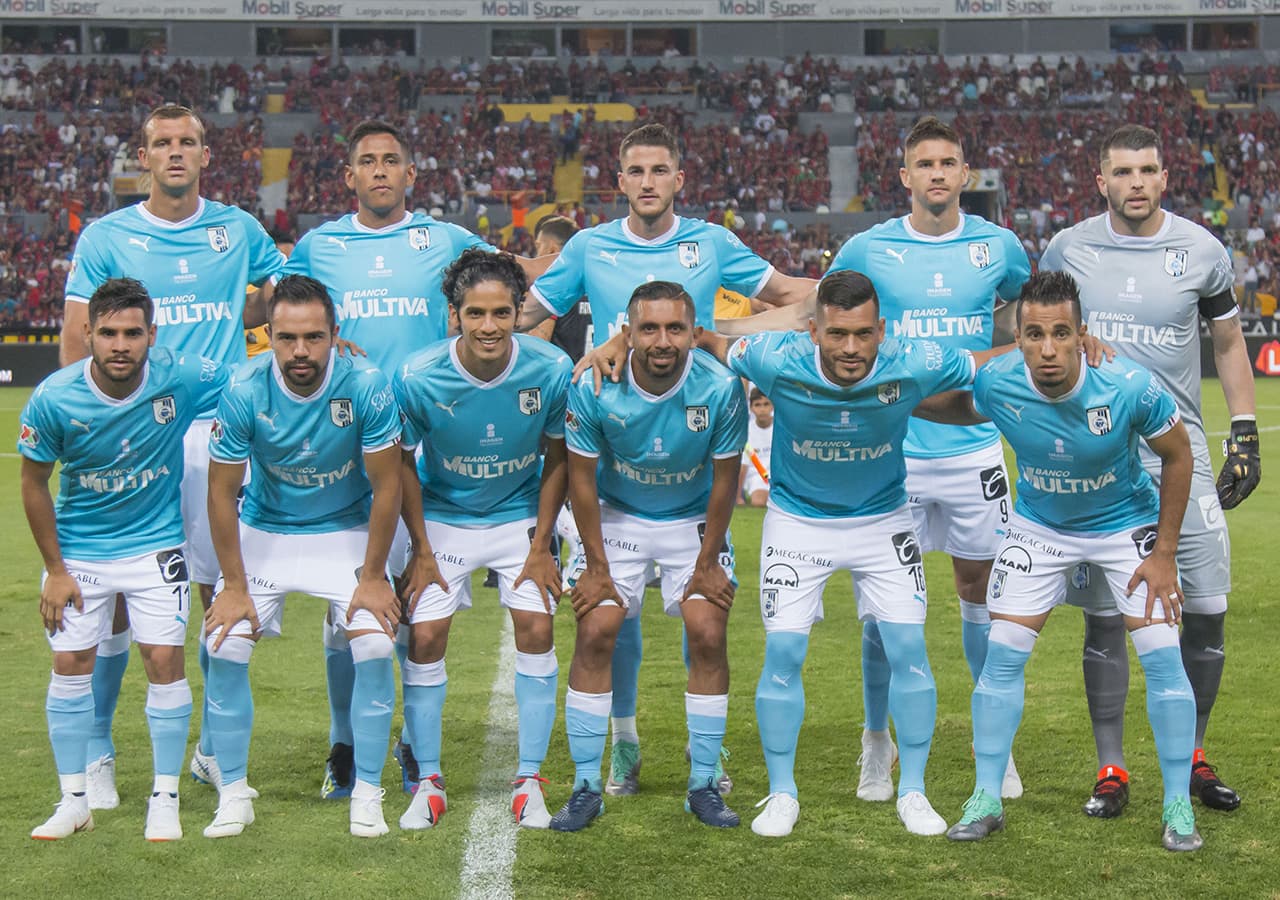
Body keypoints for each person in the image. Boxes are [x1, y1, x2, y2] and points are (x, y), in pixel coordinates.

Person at [522, 122, 814, 795]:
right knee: (610, 621)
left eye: (660, 170)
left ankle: (703, 752)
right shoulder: (590, 246)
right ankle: (623, 743)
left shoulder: (711, 242)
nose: (648, 182)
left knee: (704, 617)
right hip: (613, 451)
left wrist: (718, 335)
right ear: (619, 180)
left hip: (689, 442)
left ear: (679, 179)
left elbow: (796, 298)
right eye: (637, 171)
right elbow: (523, 314)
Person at [718, 270, 1009, 838]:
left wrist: (1061, 345)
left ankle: (914, 790)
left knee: (909, 648)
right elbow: (705, 342)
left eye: (862, 334)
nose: (850, 348)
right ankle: (782, 793)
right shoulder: (773, 357)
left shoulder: (914, 359)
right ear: (813, 331)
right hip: (798, 523)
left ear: (882, 330)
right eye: (836, 334)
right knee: (783, 652)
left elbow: (985, 363)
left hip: (883, 522)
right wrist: (615, 344)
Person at [60, 104, 286, 804]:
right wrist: (87, 431)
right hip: (134, 435)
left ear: (206, 155)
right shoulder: (107, 237)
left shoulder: (237, 229)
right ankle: (96, 752)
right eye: (163, 143)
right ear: (145, 156)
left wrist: (270, 320)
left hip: (217, 435)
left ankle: (212, 751)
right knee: (116, 597)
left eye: (188, 141)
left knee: (221, 592)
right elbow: (75, 340)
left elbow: (280, 296)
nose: (177, 152)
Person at [282, 119, 509, 800]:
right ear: (349, 175)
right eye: (367, 161)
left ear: (411, 174)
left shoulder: (447, 240)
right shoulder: (319, 246)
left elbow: (511, 291)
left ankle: (412, 742)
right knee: (346, 609)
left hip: (424, 450)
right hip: (346, 445)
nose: (379, 170)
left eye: (391, 160)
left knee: (412, 604)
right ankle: (345, 745)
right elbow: (289, 319)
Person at [938, 271, 1201, 851]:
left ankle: (1178, 805)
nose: (1049, 349)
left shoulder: (1129, 386)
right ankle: (986, 798)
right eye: (1034, 335)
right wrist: (883, 397)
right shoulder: (1000, 382)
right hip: (1040, 527)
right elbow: (953, 405)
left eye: (1061, 333)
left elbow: (1179, 456)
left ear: (1083, 335)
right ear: (1017, 339)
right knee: (1002, 657)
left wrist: (1164, 554)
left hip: (1126, 526)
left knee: (1162, 657)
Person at [1040, 124, 1260, 817]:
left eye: (1147, 170)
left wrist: (1245, 429)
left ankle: (1192, 753)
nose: (1135, 183)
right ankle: (1111, 767)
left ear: (1164, 177)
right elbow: (1038, 332)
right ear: (1100, 180)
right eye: (1122, 172)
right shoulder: (1067, 249)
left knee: (1207, 612)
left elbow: (1229, 340)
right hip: (1097, 461)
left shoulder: (1203, 250)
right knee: (1105, 620)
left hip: (1181, 458)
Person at [817, 116, 1032, 802]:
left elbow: (1028, 316)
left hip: (974, 449)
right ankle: (875, 742)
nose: (937, 174)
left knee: (983, 595)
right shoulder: (867, 248)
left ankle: (992, 742)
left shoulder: (999, 247)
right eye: (925, 164)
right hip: (893, 452)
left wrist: (1009, 353)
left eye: (948, 162)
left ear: (965, 173)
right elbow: (825, 318)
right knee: (884, 611)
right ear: (905, 175)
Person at [20, 278, 227, 841]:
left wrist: (334, 351)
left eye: (132, 333)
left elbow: (254, 378)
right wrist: (55, 570)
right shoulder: (55, 397)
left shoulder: (181, 376)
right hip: (80, 553)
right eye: (108, 333)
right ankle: (74, 801)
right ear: (88, 334)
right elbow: (34, 483)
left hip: (156, 548)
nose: (119, 345)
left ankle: (165, 798)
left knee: (164, 662)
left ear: (151, 335)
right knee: (70, 666)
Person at [201, 275, 403, 839]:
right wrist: (233, 586)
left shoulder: (366, 384)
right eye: (286, 338)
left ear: (335, 334)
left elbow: (387, 486)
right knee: (224, 643)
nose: (299, 351)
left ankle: (367, 792)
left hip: (345, 529)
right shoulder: (243, 388)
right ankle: (233, 794)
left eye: (313, 337)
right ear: (269, 335)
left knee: (376, 642)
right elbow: (220, 492)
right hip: (268, 528)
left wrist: (372, 576)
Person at [551, 281, 747, 831]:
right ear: (628, 333)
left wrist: (708, 562)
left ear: (693, 333)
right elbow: (581, 481)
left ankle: (703, 784)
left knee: (707, 630)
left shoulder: (721, 387)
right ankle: (586, 786)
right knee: (596, 630)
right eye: (650, 329)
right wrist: (596, 566)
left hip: (690, 520)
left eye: (675, 328)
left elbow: (725, 481)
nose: (663, 340)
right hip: (618, 516)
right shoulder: (594, 386)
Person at [393, 249, 571, 831]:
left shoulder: (550, 368)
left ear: (519, 312)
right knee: (425, 637)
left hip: (519, 515)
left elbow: (559, 457)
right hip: (444, 516)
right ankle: (428, 782)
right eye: (475, 313)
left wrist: (542, 546)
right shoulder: (418, 375)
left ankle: (529, 782)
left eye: (501, 313)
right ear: (455, 314)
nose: (489, 326)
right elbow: (401, 462)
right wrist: (421, 550)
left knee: (538, 628)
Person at [739, 387, 773, 507]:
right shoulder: (746, 432)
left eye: (766, 404)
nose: (762, 409)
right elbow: (743, 465)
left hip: (779, 475)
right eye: (757, 405)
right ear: (751, 408)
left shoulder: (781, 428)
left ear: (772, 406)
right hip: (757, 476)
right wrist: (737, 497)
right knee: (758, 502)